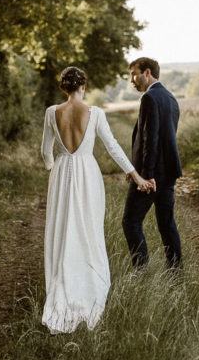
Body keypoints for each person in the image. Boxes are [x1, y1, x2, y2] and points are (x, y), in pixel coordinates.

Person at [41, 66, 154, 334]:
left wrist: (54, 168)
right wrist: (136, 177)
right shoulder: (95, 113)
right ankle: (87, 285)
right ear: (84, 86)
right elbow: (113, 146)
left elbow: (45, 152)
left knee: (62, 229)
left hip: (62, 173)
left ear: (63, 88)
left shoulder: (50, 113)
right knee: (87, 230)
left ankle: (62, 283)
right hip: (87, 174)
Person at [122, 57, 184, 271]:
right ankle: (175, 273)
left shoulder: (149, 98)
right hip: (168, 173)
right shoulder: (171, 98)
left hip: (152, 176)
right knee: (167, 225)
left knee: (130, 222)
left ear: (147, 72)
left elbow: (151, 139)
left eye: (134, 73)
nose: (132, 79)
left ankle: (141, 271)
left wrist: (145, 175)